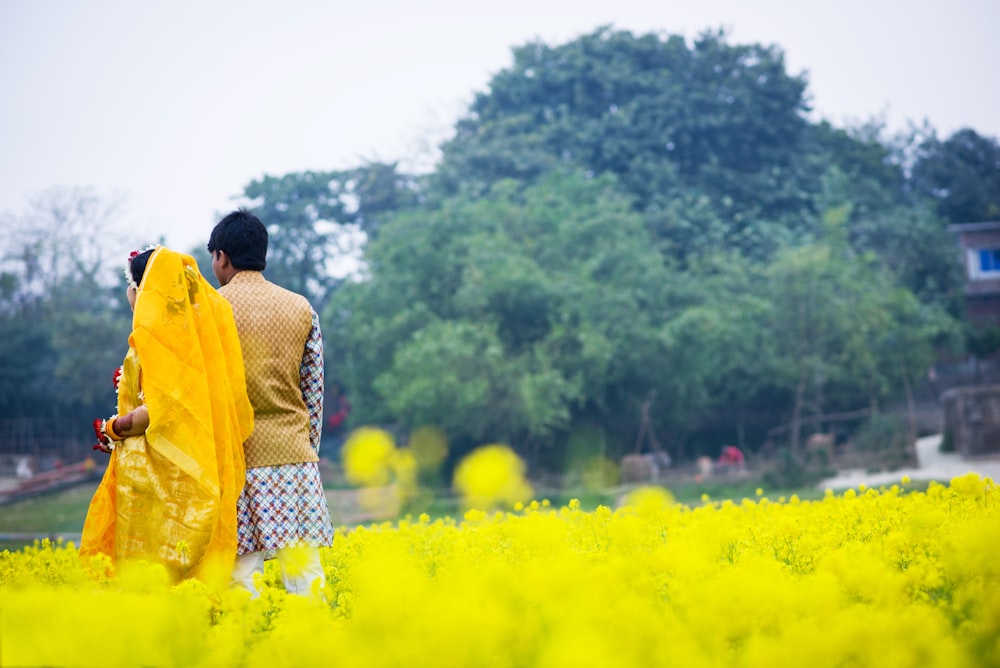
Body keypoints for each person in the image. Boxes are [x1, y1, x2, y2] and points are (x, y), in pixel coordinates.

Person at [80, 246, 254, 585]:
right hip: (192, 463)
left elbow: (157, 408)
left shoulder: (156, 337)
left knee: (151, 570)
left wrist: (112, 428)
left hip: (154, 476)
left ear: (142, 289)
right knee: (183, 572)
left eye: (132, 287)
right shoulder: (196, 331)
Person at [208, 209, 334, 597]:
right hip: (294, 455)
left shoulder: (210, 309)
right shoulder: (301, 307)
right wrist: (305, 447)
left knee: (239, 575)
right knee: (304, 573)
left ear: (222, 257)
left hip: (236, 457)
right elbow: (313, 390)